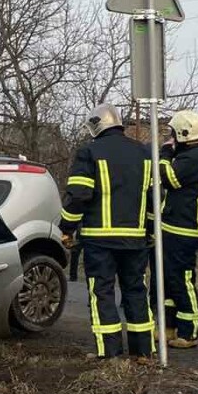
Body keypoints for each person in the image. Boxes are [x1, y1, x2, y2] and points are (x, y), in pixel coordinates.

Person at [60, 104, 155, 359]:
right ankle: (143, 351)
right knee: (136, 291)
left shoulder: (88, 152)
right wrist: (149, 230)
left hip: (99, 240)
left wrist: (66, 228)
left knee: (102, 292)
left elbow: (78, 196)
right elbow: (156, 197)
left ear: (96, 124)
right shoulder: (144, 153)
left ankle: (109, 351)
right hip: (135, 240)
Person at [152, 110, 198, 348]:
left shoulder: (196, 157)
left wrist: (165, 153)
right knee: (169, 279)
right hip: (174, 225)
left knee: (182, 279)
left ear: (182, 134)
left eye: (172, 134)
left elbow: (170, 178)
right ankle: (169, 327)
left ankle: (189, 332)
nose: (170, 138)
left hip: (185, 227)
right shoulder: (192, 155)